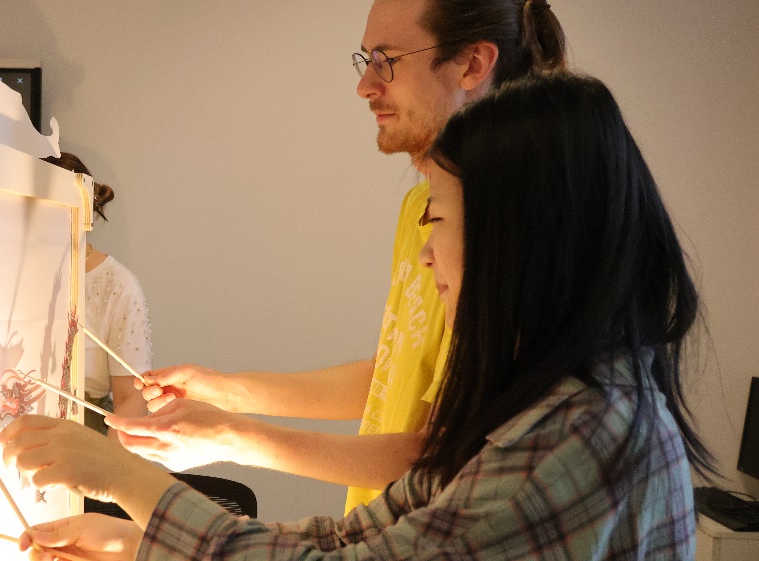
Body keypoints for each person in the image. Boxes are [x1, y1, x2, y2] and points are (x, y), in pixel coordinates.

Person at [0, 72, 714, 561]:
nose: (427, 254)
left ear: (518, 239)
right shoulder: (542, 408)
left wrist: (130, 481)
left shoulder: (579, 437)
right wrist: (137, 546)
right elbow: (355, 544)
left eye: (439, 219)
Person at [117, 0, 567, 514]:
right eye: (366, 60)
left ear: (473, 64)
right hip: (378, 527)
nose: (365, 86)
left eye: (387, 61)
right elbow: (393, 373)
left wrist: (233, 437)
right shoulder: (420, 207)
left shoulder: (505, 230)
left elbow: (442, 455)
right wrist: (226, 392)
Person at [42, 152, 152, 435]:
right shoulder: (11, 270)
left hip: (86, 427)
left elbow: (131, 399)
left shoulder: (118, 285)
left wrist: (108, 459)